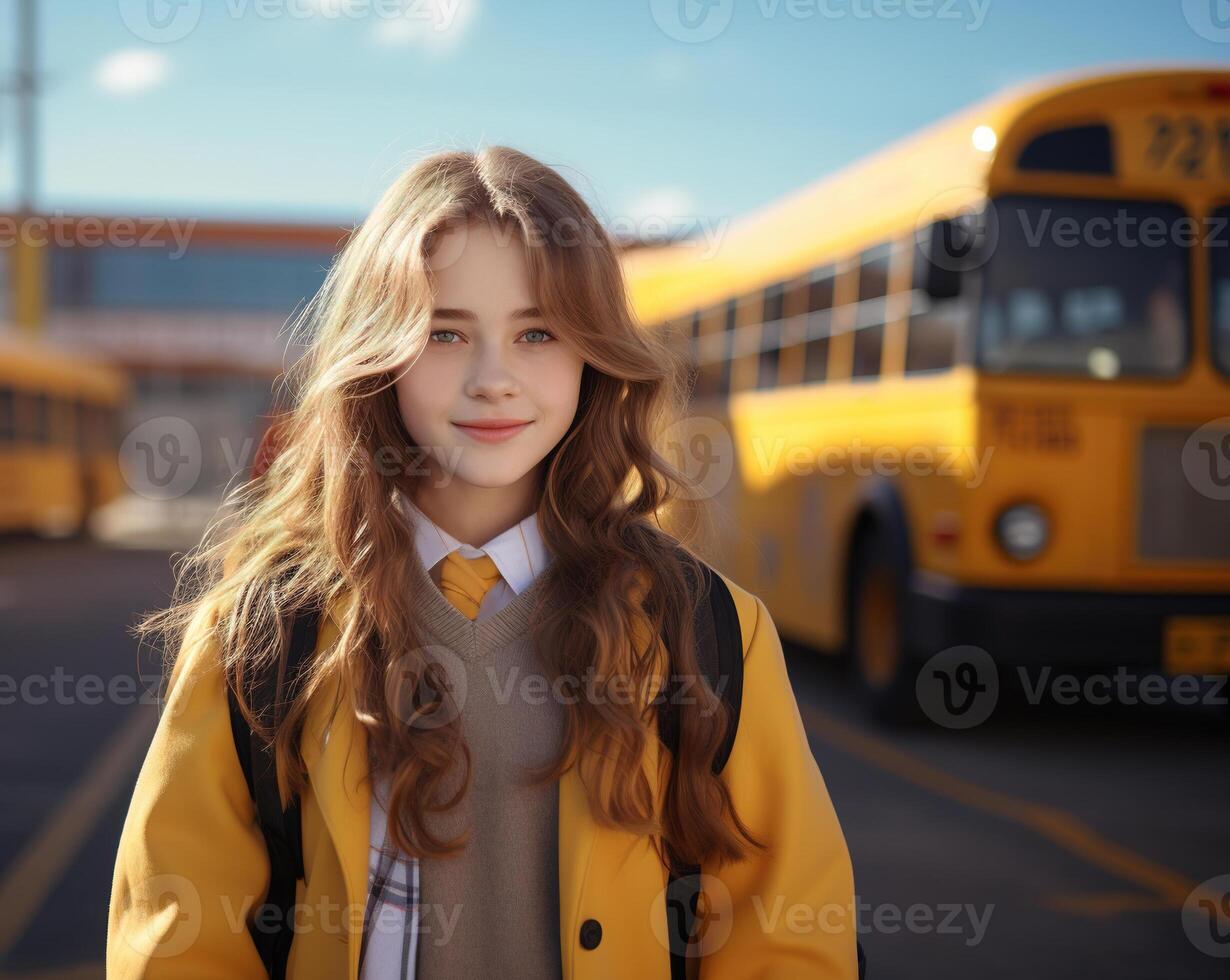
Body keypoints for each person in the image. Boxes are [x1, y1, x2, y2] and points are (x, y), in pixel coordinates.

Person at [107, 145, 857, 979]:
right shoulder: (261, 637)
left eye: (538, 331)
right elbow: (178, 943)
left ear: (593, 354)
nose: (494, 379)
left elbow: (788, 940)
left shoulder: (711, 632)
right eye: (444, 332)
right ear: (377, 352)